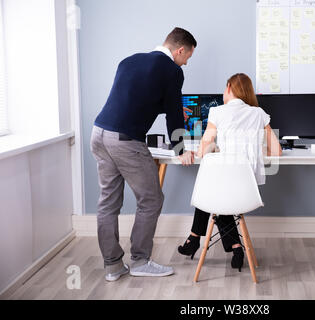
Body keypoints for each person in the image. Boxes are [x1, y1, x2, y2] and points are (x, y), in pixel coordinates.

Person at [90, 27, 197, 282]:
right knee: (151, 199)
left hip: (99, 133)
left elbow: (132, 99)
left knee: (108, 202)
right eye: (188, 57)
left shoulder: (129, 60)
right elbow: (173, 114)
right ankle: (140, 261)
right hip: (125, 141)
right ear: (179, 50)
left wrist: (168, 110)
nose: (186, 63)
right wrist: (180, 150)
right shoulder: (172, 71)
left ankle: (113, 267)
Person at [177, 73, 282, 271]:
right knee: (218, 191)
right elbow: (277, 151)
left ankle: (196, 239)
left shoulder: (217, 112)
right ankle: (234, 247)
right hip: (247, 190)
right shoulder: (259, 113)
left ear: (228, 88)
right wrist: (255, 151)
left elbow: (202, 149)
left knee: (212, 190)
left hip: (225, 187)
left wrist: (214, 149)